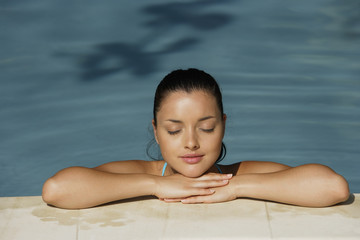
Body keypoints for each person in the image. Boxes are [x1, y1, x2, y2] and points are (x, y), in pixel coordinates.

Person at [42, 68, 350, 209]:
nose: (191, 142)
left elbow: (332, 187)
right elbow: (57, 189)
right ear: (156, 131)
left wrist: (235, 186)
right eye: (174, 130)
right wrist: (157, 185)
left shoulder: (238, 175)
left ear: (224, 126)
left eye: (206, 128)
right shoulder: (143, 174)